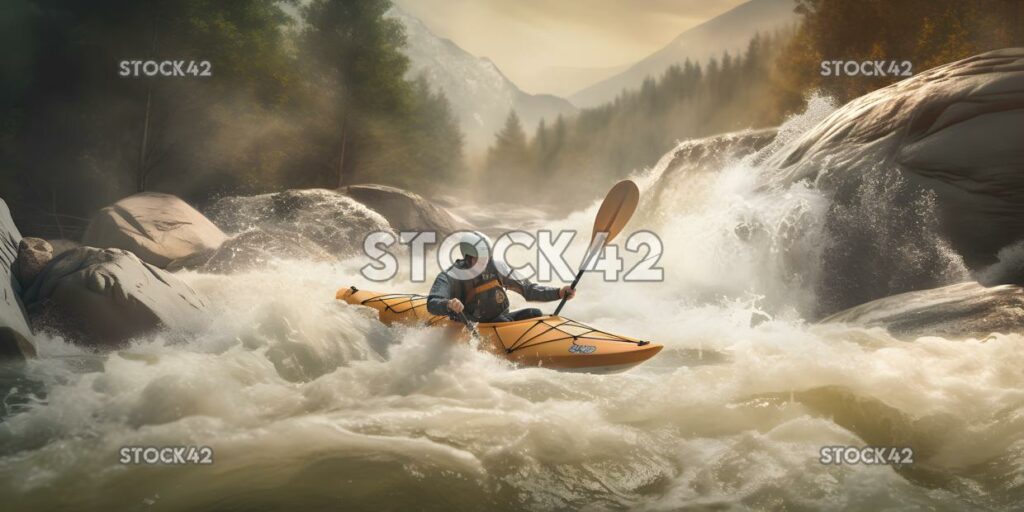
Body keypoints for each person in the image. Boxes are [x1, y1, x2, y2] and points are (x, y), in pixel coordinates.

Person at [426, 231, 575, 322]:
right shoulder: (450, 276)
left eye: (487, 257)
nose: (485, 262)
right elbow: (433, 302)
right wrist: (449, 304)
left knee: (534, 313)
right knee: (509, 320)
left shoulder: (497, 266)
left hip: (501, 320)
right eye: (481, 258)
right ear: (468, 256)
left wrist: (559, 292)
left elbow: (528, 289)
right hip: (472, 324)